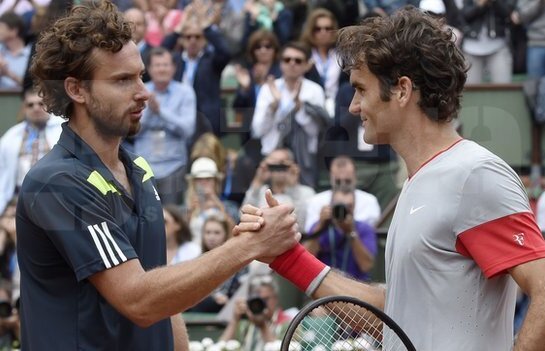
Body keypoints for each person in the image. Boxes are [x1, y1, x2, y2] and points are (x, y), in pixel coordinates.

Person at [237, 7, 545, 350]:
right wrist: (287, 257)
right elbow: (396, 318)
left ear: (401, 90)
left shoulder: (475, 174)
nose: (354, 107)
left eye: (361, 89)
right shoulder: (419, 182)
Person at [16, 1, 300, 350]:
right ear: (77, 90)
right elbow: (139, 299)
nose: (143, 93)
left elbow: (162, 295)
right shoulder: (56, 183)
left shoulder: (137, 168)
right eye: (122, 80)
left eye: (140, 76)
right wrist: (248, 245)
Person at [251, 41, 328, 188]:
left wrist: (300, 109)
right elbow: (257, 131)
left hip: (302, 161)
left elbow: (315, 132)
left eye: (298, 61)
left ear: (306, 65)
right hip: (272, 159)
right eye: (287, 60)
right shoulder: (268, 89)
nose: (292, 64)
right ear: (281, 64)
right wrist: (273, 108)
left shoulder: (314, 90)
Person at [133, 47, 196, 204]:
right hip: (144, 167)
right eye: (157, 65)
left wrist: (160, 111)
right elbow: (131, 131)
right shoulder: (140, 91)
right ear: (149, 68)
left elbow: (188, 130)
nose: (162, 69)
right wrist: (148, 113)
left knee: (173, 217)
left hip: (173, 166)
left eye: (165, 65)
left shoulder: (185, 92)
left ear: (173, 68)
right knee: (146, 217)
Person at [0, 87, 62, 215]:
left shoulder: (63, 131)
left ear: (49, 106)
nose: (36, 108)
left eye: (41, 104)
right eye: (30, 105)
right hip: (18, 199)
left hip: (55, 198)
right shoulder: (11, 137)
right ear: (24, 108)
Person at [303, 188, 377, 282]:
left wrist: (351, 233)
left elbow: (366, 266)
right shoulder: (321, 226)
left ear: (354, 207)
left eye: (348, 206)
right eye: (339, 206)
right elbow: (305, 260)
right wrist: (320, 227)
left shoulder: (364, 228)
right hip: (325, 284)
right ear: (331, 205)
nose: (343, 210)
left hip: (356, 285)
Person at [304, 155, 381, 234]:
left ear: (355, 177)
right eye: (338, 181)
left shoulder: (370, 201)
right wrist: (321, 223)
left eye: (347, 181)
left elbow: (371, 236)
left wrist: (351, 228)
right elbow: (308, 235)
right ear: (331, 178)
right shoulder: (316, 201)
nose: (342, 184)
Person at [243, 148, 314, 231]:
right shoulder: (259, 191)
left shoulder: (307, 192)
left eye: (282, 164)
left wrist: (293, 188)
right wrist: (258, 182)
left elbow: (303, 226)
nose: (278, 168)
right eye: (274, 165)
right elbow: (243, 217)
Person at [190, 214, 248, 313]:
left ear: (225, 234)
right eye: (208, 232)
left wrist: (229, 300)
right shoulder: (197, 261)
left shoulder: (238, 261)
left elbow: (244, 289)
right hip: (202, 306)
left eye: (217, 233)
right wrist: (213, 296)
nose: (211, 237)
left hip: (230, 309)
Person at [219, 275, 291, 351]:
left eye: (265, 299)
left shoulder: (288, 324)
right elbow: (221, 347)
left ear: (275, 298)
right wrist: (235, 319)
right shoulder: (245, 323)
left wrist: (262, 326)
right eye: (257, 300)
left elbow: (283, 349)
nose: (261, 304)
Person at [184, 157, 240, 245]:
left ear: (216, 182)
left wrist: (219, 206)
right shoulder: (185, 207)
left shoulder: (230, 206)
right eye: (199, 179)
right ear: (193, 183)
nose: (203, 183)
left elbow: (235, 234)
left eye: (208, 179)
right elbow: (181, 238)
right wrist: (191, 211)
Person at [0, 11, 31, 89]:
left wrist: (8, 73)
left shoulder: (31, 54)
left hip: (21, 99)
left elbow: (33, 87)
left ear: (14, 31)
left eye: (1, 27)